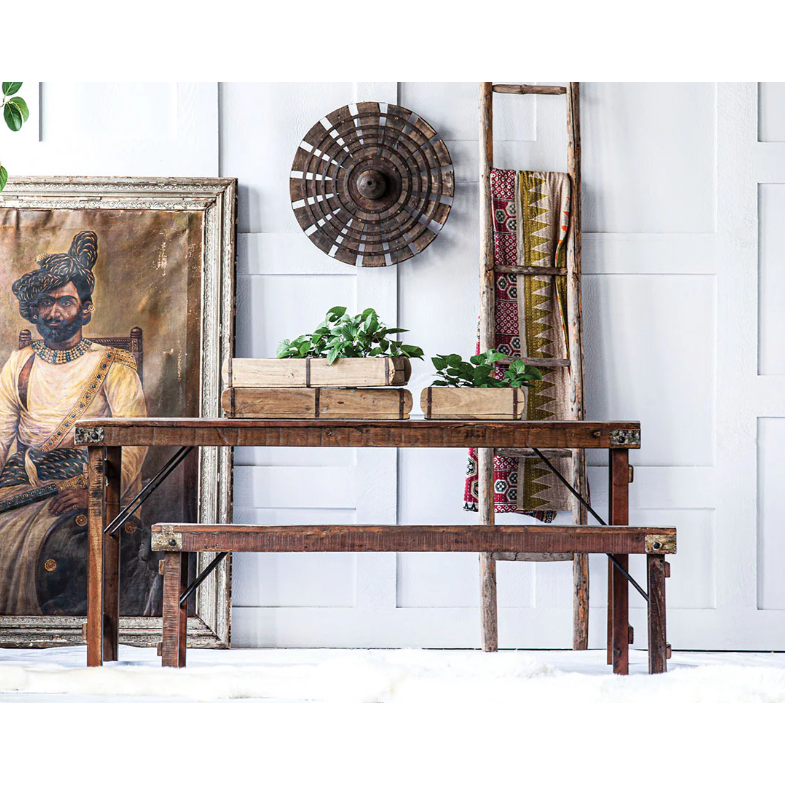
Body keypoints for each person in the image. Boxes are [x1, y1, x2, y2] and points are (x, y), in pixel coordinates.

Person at [0, 231, 152, 615]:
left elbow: (134, 442)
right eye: (46, 303)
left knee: (64, 546)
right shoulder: (20, 364)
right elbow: (1, 436)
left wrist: (97, 493)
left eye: (65, 302)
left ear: (85, 310)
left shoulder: (113, 367)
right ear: (34, 310)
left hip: (88, 485)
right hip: (25, 482)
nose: (54, 313)